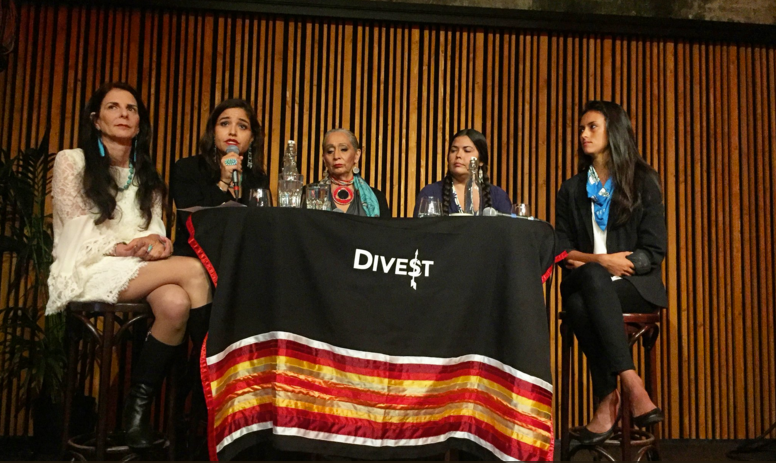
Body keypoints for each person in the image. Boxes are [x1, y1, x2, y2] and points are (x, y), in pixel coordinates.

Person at [46, 82, 212, 449]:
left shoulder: (146, 173)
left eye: (131, 109)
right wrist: (123, 248)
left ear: (139, 124)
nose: (123, 113)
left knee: (175, 303)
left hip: (137, 268)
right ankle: (205, 385)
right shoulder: (72, 161)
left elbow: (155, 230)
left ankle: (136, 409)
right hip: (88, 265)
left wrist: (156, 243)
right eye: (113, 107)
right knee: (194, 271)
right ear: (96, 120)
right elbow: (73, 227)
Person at [555, 100, 667, 445]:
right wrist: (602, 262)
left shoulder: (642, 181)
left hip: (632, 283)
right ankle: (631, 382)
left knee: (579, 304)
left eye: (592, 127)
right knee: (593, 276)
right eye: (581, 128)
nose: (583, 134)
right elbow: (560, 249)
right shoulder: (571, 189)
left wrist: (624, 264)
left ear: (613, 132)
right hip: (589, 278)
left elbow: (654, 249)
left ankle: (608, 397)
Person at [171, 99, 269, 257]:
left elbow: (262, 228)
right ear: (213, 132)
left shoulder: (257, 179)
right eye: (224, 124)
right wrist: (223, 182)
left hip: (242, 257)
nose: (232, 131)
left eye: (242, 126)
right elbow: (195, 224)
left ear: (252, 138)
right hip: (195, 256)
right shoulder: (187, 168)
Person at [414, 128, 511, 217]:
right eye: (453, 150)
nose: (458, 155)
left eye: (467, 151)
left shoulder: (498, 196)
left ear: (481, 160)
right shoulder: (431, 193)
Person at [306, 128, 390, 217]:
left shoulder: (377, 197)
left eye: (343, 149)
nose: (336, 156)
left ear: (357, 155)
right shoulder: (308, 194)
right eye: (330, 151)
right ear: (324, 158)